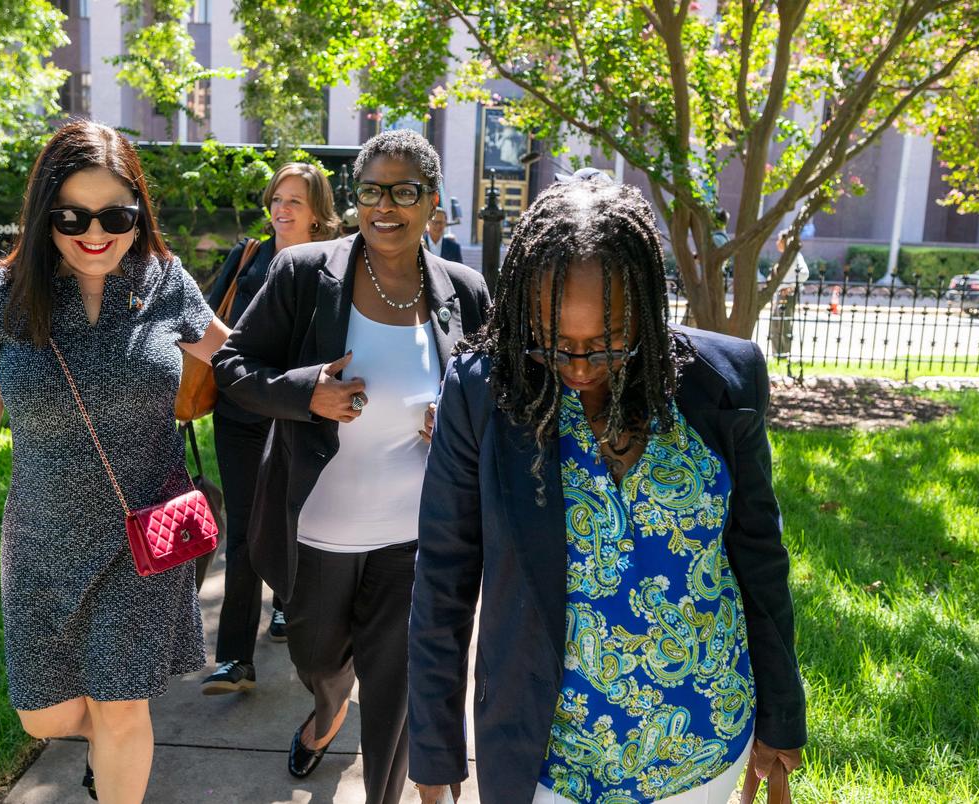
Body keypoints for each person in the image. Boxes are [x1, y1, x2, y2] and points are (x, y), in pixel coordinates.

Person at [409, 172, 806, 803]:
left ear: (647, 307)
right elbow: (443, 579)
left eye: (607, 343)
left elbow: (759, 557)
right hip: (553, 765)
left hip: (705, 750)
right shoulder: (485, 394)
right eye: (552, 342)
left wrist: (782, 717)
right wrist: (434, 755)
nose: (578, 368)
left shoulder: (722, 384)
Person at [0, 119, 229, 804]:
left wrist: (312, 382)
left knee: (123, 706)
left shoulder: (166, 281)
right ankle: (107, 750)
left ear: (139, 213)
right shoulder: (1, 297)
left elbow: (233, 358)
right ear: (43, 215)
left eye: (116, 215)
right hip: (42, 539)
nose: (96, 233)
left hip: (141, 536)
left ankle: (118, 765)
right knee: (47, 714)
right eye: (72, 216)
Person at [213, 129, 490, 804]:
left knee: (394, 687)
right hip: (316, 532)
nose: (385, 206)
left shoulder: (466, 290)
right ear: (356, 199)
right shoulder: (306, 274)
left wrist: (458, 420)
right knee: (318, 660)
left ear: (431, 203)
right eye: (372, 190)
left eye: (404, 191)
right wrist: (307, 392)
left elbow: (495, 393)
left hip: (414, 536)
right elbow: (234, 367)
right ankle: (329, 707)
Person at [200, 163, 341, 695]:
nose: (281, 210)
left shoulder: (334, 264)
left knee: (295, 521)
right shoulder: (249, 256)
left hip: (301, 416)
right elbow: (209, 317)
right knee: (242, 531)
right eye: (277, 199)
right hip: (239, 414)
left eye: (295, 202)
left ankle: (286, 607)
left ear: (317, 213)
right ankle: (235, 658)